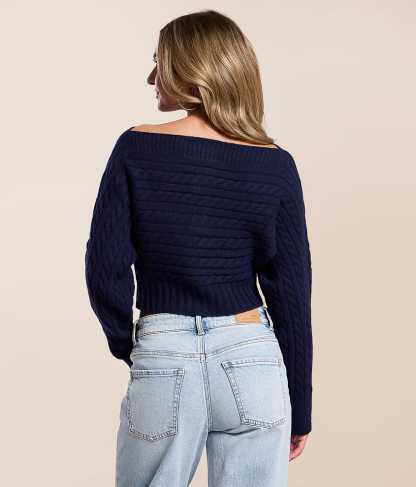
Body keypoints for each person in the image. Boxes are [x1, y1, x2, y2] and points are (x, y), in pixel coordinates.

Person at [85, 9, 313, 487]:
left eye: (159, 62)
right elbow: (291, 294)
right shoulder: (276, 165)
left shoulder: (136, 148)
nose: (152, 77)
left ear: (193, 69)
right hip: (252, 357)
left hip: (165, 353)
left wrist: (134, 346)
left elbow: (105, 267)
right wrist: (301, 404)